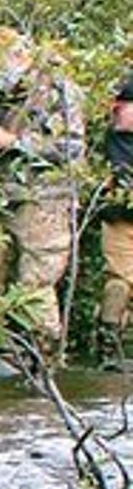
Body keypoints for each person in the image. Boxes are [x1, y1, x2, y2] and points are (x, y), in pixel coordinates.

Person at [0, 28, 87, 356]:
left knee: (36, 285)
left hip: (43, 202)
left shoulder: (59, 89)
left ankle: (42, 372)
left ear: (19, 56)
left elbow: (72, 148)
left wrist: (15, 142)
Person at [99, 75, 133, 363]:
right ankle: (110, 348)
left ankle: (110, 350)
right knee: (119, 280)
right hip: (119, 214)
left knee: (119, 279)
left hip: (118, 210)